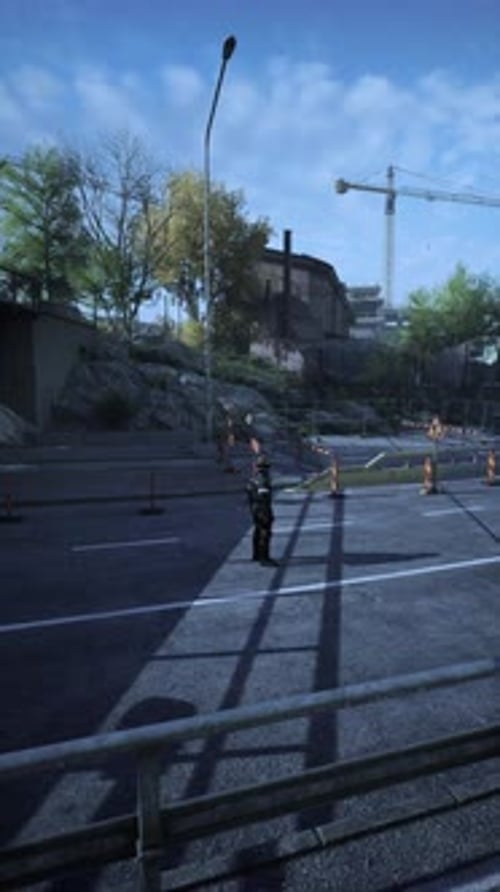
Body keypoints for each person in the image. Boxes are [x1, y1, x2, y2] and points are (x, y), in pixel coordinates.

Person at [246, 453, 279, 566]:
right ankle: (264, 557)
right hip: (262, 508)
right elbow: (263, 495)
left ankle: (256, 554)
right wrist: (266, 512)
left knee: (257, 530)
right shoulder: (263, 479)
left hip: (255, 507)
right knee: (265, 532)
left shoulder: (253, 478)